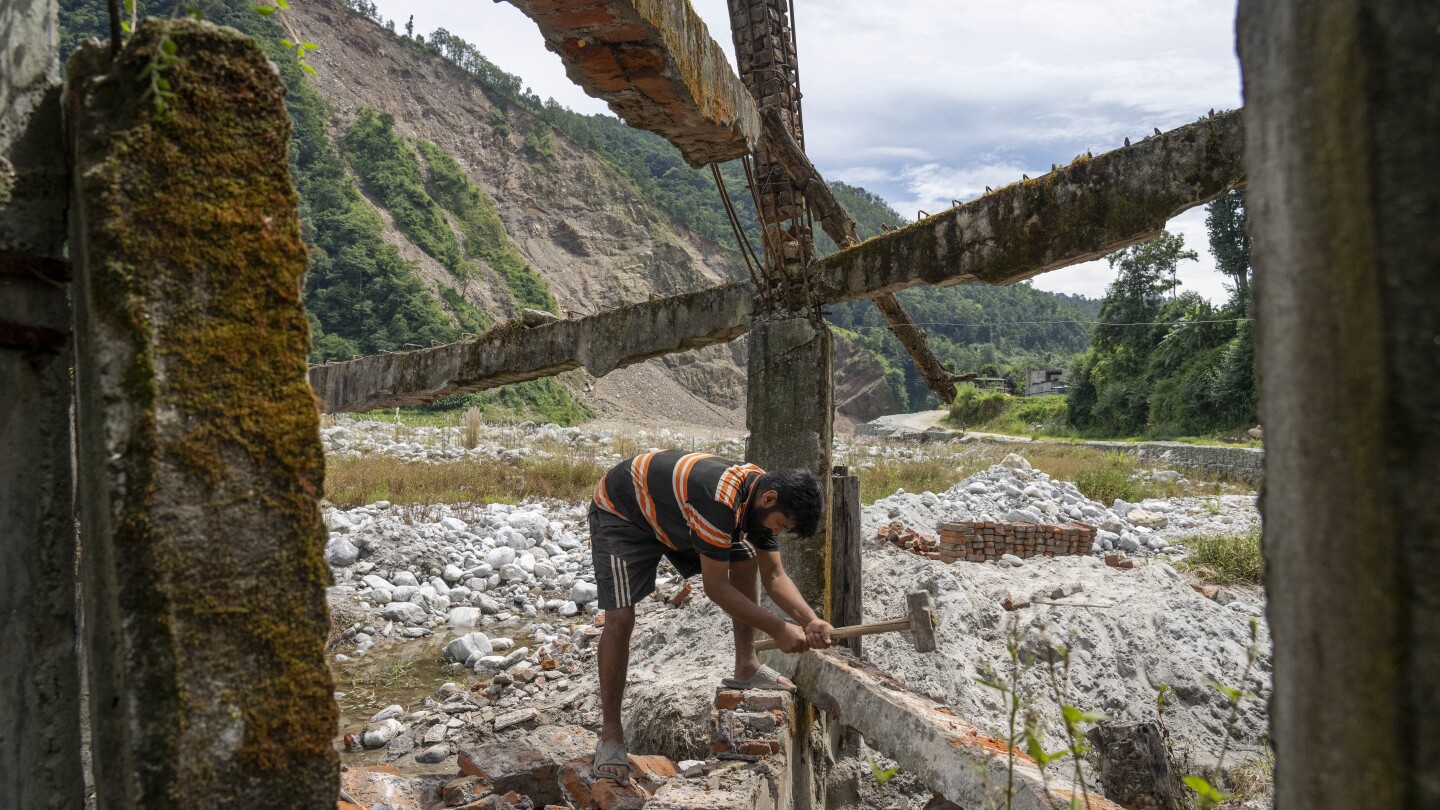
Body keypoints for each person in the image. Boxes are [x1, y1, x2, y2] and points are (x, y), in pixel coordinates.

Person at [587, 450, 834, 782]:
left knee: (744, 556)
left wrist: (809, 619)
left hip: (674, 514)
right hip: (623, 513)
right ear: (769, 498)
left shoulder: (758, 493)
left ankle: (746, 665)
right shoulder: (718, 501)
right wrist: (778, 628)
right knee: (620, 616)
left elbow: (774, 576)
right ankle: (611, 735)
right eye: (780, 524)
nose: (776, 532)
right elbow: (716, 587)